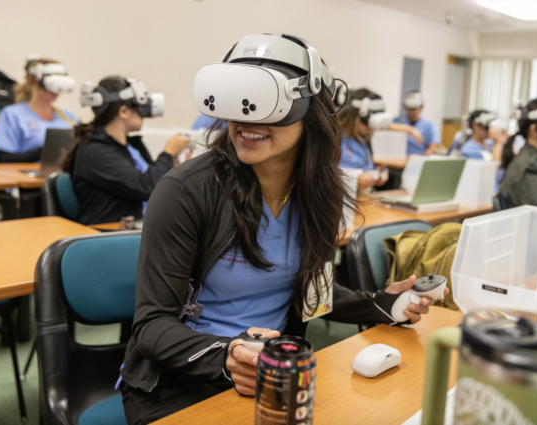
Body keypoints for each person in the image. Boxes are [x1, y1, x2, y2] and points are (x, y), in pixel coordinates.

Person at [118, 34, 437, 424]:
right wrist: (228, 354)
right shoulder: (185, 191)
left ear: (312, 111)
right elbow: (151, 327)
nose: (247, 121)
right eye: (239, 102)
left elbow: (312, 290)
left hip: (273, 370)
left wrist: (380, 304)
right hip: (180, 379)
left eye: (267, 105)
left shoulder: (321, 192)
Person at [62, 76, 189, 225]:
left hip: (143, 227)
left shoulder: (132, 145)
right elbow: (146, 187)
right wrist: (167, 153)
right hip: (110, 236)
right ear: (123, 111)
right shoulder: (94, 151)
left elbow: (156, 183)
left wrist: (174, 167)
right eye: (138, 106)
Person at [0, 56, 77, 162]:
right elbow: (3, 158)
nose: (56, 91)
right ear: (33, 82)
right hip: (26, 176)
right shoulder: (12, 114)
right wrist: (41, 153)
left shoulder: (69, 118)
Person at [393, 91, 440, 155]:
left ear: (421, 107)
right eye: (410, 108)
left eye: (415, 108)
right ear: (405, 107)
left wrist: (419, 160)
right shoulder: (396, 121)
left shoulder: (429, 124)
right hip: (397, 159)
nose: (412, 110)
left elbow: (432, 148)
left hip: (419, 158)